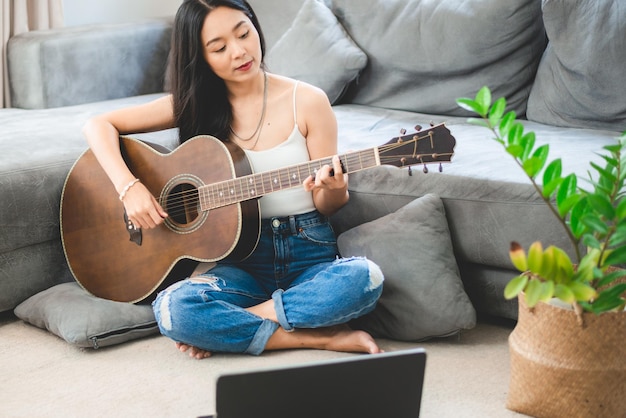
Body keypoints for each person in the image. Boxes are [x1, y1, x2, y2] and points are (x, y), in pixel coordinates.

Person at [82, 0, 384, 359]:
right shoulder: (194, 105)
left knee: (365, 279)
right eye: (219, 47)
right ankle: (316, 337)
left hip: (309, 253)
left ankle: (239, 324)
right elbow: (98, 125)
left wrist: (334, 190)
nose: (239, 51)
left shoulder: (307, 101)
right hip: (240, 261)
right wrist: (129, 188)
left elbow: (327, 205)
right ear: (200, 56)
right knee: (171, 308)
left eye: (244, 33)